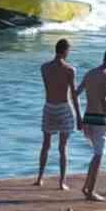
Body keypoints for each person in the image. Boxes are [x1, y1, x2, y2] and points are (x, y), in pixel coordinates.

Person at [36, 39, 82, 190]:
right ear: (65, 51)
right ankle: (62, 182)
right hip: (63, 108)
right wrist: (79, 116)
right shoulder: (70, 70)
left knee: (46, 145)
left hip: (49, 107)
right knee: (63, 147)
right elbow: (74, 95)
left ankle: (40, 178)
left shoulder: (44, 68)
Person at [79, 49, 106, 202]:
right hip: (100, 118)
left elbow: (76, 93)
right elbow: (104, 100)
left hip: (88, 117)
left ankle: (86, 187)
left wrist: (79, 116)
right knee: (99, 155)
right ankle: (91, 191)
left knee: (96, 154)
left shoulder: (90, 73)